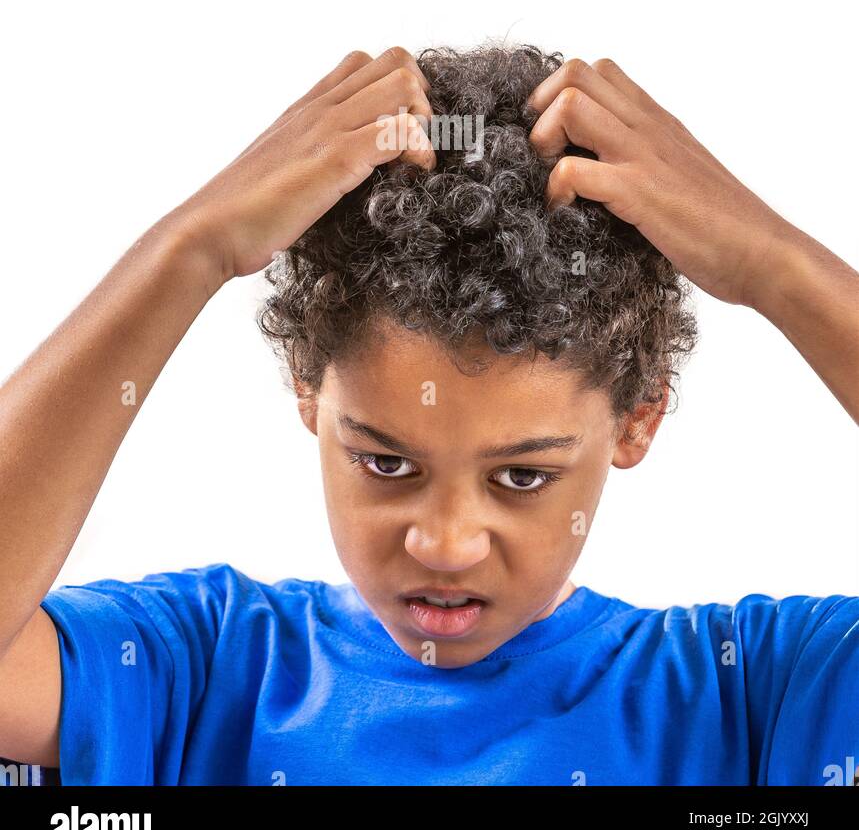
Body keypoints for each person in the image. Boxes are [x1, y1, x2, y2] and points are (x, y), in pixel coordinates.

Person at [0, 44, 856, 786]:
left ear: (636, 422)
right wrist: (189, 247)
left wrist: (775, 265)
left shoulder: (754, 700)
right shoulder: (197, 672)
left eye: (521, 476)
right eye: (385, 463)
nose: (444, 546)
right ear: (307, 387)